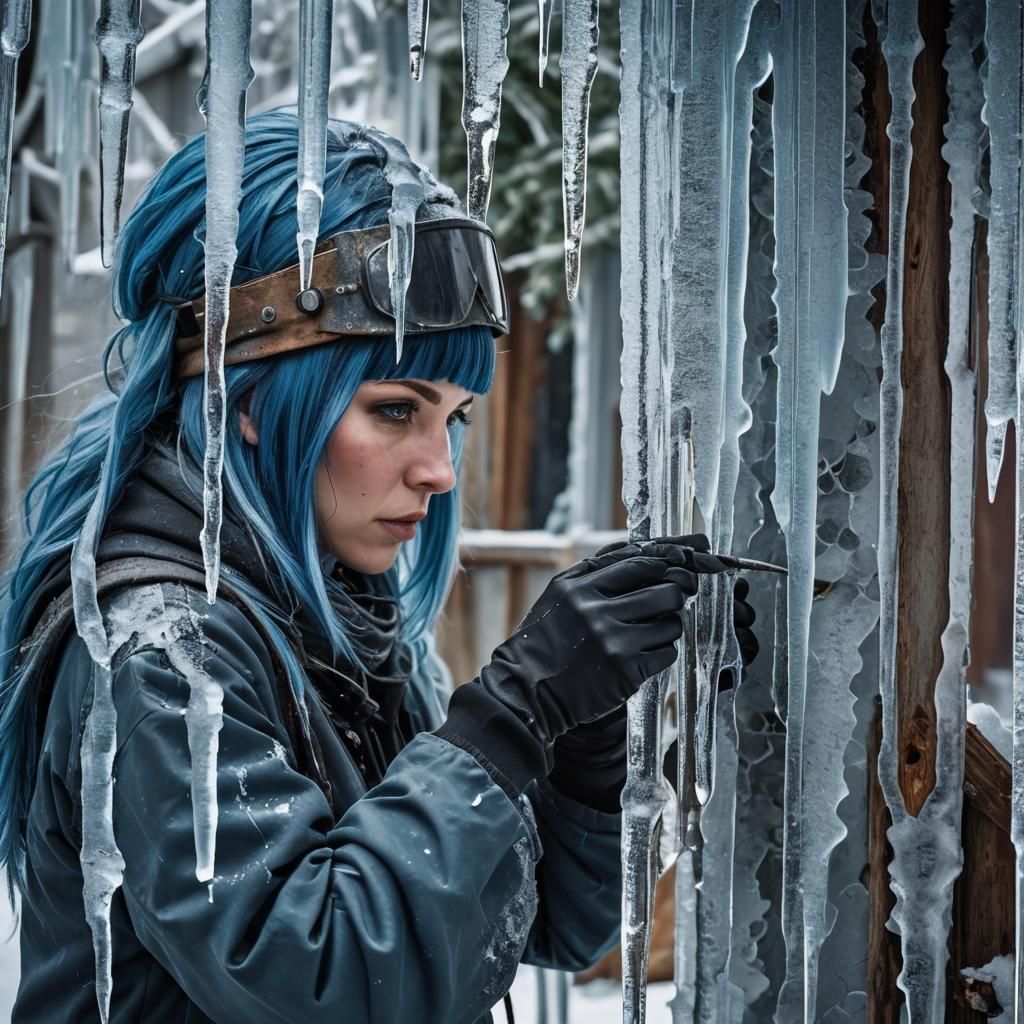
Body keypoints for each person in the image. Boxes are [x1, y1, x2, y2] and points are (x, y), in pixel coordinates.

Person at [0, 110, 755, 1023]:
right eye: (397, 409)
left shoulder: (334, 616)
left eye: (455, 418)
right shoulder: (164, 652)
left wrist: (584, 736)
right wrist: (511, 716)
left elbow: (536, 922)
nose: (440, 469)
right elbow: (324, 977)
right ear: (246, 399)